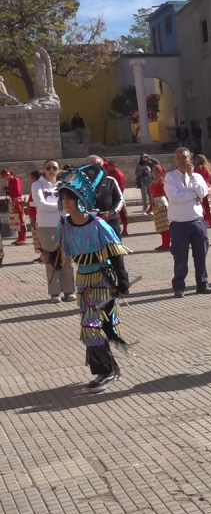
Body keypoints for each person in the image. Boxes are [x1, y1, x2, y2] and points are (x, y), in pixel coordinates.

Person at [40, 164, 132, 392]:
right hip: (84, 281)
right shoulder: (65, 226)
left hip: (103, 280)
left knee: (94, 326)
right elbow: (61, 256)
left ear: (80, 198)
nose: (67, 201)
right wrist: (48, 256)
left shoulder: (98, 224)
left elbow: (115, 254)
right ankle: (107, 370)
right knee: (90, 327)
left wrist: (122, 283)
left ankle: (107, 371)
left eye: (70, 197)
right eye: (63, 198)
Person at [164, 148, 211, 298]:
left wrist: (192, 177)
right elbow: (174, 197)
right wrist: (193, 195)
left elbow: (203, 193)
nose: (181, 160)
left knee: (201, 255)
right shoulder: (170, 177)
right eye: (178, 157)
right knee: (180, 257)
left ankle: (202, 284)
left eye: (184, 157)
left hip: (197, 222)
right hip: (179, 224)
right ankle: (179, 287)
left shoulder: (197, 176)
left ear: (190, 159)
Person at [31, 160, 76, 303]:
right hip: (46, 226)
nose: (51, 170)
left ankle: (69, 290)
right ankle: (55, 292)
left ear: (58, 170)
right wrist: (61, 206)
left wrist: (63, 208)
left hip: (65, 225)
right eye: (48, 168)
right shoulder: (37, 185)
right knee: (51, 259)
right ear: (44, 169)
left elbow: (70, 204)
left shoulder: (63, 185)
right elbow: (41, 204)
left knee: (67, 259)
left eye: (54, 168)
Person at [86, 155, 125, 237]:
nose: (94, 168)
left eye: (96, 165)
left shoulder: (110, 181)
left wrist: (111, 212)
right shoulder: (81, 184)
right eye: (90, 166)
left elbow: (120, 198)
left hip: (110, 221)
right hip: (89, 223)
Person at [149, 165, 171, 251]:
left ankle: (166, 244)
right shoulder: (154, 182)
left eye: (156, 171)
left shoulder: (162, 181)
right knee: (160, 225)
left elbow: (166, 192)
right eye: (153, 170)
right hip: (155, 204)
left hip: (162, 203)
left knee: (165, 225)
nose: (154, 172)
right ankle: (163, 243)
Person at [2, 170, 26, 245]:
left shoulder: (15, 180)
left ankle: (22, 238)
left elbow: (17, 192)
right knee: (16, 220)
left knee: (20, 219)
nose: (5, 178)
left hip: (17, 201)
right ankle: (19, 237)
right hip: (13, 201)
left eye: (5, 176)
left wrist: (8, 190)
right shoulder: (10, 181)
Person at [104, 161, 128, 236]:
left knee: (122, 213)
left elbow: (121, 187)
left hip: (118, 196)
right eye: (109, 166)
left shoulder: (119, 175)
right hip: (110, 196)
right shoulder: (108, 173)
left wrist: (116, 196)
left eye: (112, 167)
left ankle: (125, 229)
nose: (110, 168)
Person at [195, 154, 211, 228]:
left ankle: (206, 221)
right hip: (208, 186)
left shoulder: (199, 168)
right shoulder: (208, 167)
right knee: (209, 206)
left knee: (204, 206)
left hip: (202, 187)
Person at [27, 170, 42, 261]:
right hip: (34, 214)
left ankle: (44, 254)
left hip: (37, 215)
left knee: (40, 236)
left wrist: (27, 204)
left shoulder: (37, 186)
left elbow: (37, 203)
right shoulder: (36, 186)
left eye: (30, 177)